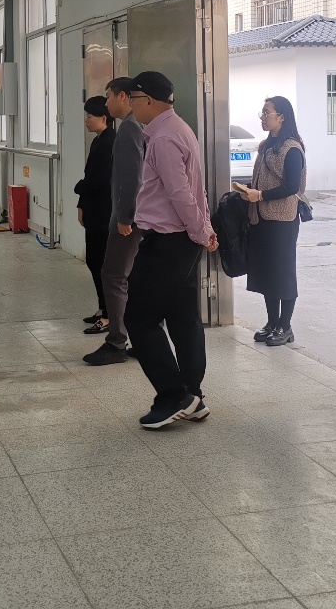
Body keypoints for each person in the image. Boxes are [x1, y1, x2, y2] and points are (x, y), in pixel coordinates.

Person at [124, 71, 218, 429]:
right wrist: (204, 230)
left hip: (168, 242)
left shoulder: (163, 137)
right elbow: (197, 189)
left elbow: (181, 194)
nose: (131, 106)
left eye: (133, 99)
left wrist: (200, 231)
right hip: (183, 239)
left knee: (139, 318)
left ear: (148, 100)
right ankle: (193, 395)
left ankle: (173, 396)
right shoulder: (179, 129)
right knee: (183, 319)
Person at [235, 96, 306, 347]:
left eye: (267, 113)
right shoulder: (266, 145)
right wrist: (248, 191)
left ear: (282, 117)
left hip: (282, 219)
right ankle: (272, 322)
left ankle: (285, 327)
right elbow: (262, 179)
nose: (263, 117)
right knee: (267, 272)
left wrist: (261, 195)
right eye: (262, 113)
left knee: (283, 273)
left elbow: (292, 186)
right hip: (260, 218)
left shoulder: (292, 148)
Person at [83, 78, 145, 366]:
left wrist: (125, 217)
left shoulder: (130, 128)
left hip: (127, 219)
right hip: (138, 216)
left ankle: (117, 341)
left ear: (123, 96)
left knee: (113, 275)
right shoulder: (135, 126)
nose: (106, 102)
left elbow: (132, 179)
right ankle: (141, 339)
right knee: (130, 277)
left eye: (108, 96)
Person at [74, 96, 116, 331]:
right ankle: (102, 307)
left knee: (102, 263)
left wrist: (78, 188)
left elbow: (98, 181)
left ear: (103, 118)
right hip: (93, 210)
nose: (86, 120)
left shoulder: (109, 143)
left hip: (103, 212)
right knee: (93, 260)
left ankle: (109, 314)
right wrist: (81, 204)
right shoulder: (98, 141)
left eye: (90, 116)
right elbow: (89, 176)